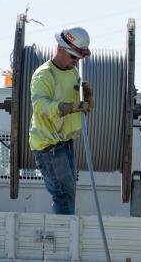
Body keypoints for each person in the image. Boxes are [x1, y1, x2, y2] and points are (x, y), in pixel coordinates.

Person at [29, 26, 93, 215]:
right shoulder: (43, 75)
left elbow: (80, 107)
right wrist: (68, 107)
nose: (76, 62)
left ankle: (64, 237)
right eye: (73, 57)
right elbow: (40, 106)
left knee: (67, 194)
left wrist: (88, 102)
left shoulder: (72, 72)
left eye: (78, 59)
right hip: (48, 145)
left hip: (64, 143)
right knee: (63, 196)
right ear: (59, 49)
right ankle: (63, 240)